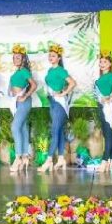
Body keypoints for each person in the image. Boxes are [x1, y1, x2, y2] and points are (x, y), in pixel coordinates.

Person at [38, 44, 75, 173]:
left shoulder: (61, 70)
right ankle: (61, 159)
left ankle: (48, 160)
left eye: (53, 56)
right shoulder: (49, 71)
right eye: (50, 56)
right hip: (52, 102)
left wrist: (63, 93)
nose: (51, 58)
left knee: (55, 131)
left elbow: (72, 83)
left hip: (59, 103)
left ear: (59, 58)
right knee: (58, 131)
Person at [95, 50, 112, 173]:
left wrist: (111, 98)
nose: (102, 64)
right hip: (102, 107)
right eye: (100, 62)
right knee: (108, 133)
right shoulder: (102, 77)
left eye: (104, 62)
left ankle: (105, 161)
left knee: (108, 133)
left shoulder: (110, 76)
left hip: (108, 108)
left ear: (110, 64)